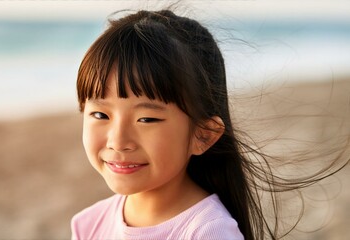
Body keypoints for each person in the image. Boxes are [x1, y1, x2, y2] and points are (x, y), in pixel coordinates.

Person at [71, 9, 348, 240]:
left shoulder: (209, 231)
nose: (118, 141)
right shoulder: (88, 224)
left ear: (203, 135)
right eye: (100, 115)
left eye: (147, 119)